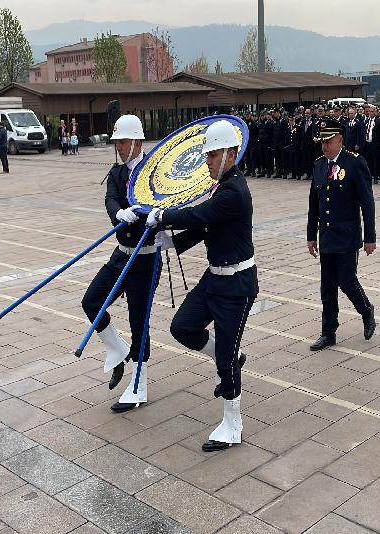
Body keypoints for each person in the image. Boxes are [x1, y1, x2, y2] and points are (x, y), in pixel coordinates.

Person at [146, 120, 256, 452]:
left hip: (236, 285)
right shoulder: (221, 186)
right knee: (183, 326)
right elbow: (206, 226)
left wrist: (163, 216)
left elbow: (201, 215)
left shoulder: (234, 191)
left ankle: (233, 424)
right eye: (207, 155)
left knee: (225, 361)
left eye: (212, 155)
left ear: (230, 155)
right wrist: (171, 242)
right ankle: (230, 355)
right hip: (214, 278)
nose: (206, 161)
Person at [81, 115, 161, 412]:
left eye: (123, 142)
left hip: (146, 258)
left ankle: (139, 385)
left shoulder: (154, 172)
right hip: (122, 253)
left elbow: (165, 203)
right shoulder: (117, 172)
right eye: (116, 142)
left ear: (137, 141)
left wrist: (148, 213)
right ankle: (117, 349)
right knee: (92, 301)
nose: (119, 147)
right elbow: (111, 199)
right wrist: (119, 213)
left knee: (139, 321)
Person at [306, 118, 376, 353]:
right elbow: (314, 205)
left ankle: (366, 311)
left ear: (339, 140)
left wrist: (370, 237)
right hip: (326, 236)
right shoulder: (319, 165)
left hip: (347, 236)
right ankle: (328, 332)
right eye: (322, 142)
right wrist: (311, 235)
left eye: (328, 142)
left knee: (347, 281)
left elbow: (367, 203)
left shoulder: (354, 163)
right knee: (327, 287)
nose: (324, 146)